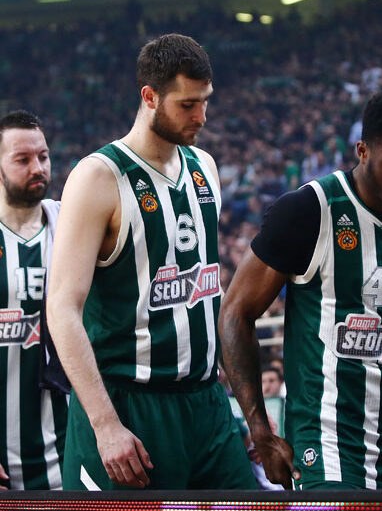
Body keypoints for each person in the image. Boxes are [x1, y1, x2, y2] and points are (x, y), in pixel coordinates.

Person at [47, 33, 257, 491]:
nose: (201, 116)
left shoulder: (205, 167)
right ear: (149, 97)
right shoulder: (97, 176)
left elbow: (207, 292)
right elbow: (61, 307)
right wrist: (105, 424)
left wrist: (244, 410)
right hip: (128, 404)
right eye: (187, 105)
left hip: (206, 403)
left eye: (205, 101)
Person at [218, 90, 382, 491]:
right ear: (363, 151)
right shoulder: (311, 210)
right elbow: (235, 312)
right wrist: (260, 429)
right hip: (331, 445)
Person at [0, 110, 68, 490]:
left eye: (42, 156)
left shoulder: (71, 224)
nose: (37, 168)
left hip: (72, 444)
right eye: (22, 160)